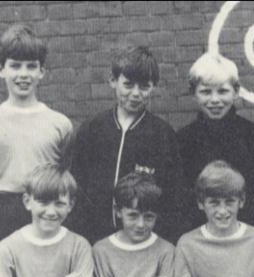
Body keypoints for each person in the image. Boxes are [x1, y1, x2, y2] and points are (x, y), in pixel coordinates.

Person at [0, 23, 73, 263]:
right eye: (15, 66)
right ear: (0, 70)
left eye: (31, 66)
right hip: (2, 213)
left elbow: (64, 173)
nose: (23, 74)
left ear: (42, 72)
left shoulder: (60, 124)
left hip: (45, 210)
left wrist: (50, 206)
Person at [69, 46, 184, 244]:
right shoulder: (92, 129)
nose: (136, 93)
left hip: (144, 241)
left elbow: (173, 197)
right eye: (128, 85)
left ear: (153, 86)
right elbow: (77, 188)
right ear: (113, 81)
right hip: (96, 239)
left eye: (144, 86)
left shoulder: (162, 134)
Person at [177, 52, 254, 230]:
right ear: (193, 93)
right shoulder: (183, 141)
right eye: (205, 92)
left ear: (236, 91)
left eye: (222, 91)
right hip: (199, 237)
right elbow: (182, 200)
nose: (214, 100)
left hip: (244, 236)